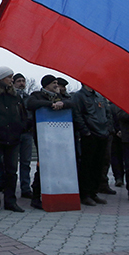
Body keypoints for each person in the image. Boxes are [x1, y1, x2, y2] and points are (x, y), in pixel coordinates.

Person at [26, 75, 73, 210]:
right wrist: (50, 104)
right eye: (54, 83)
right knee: (43, 166)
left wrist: (62, 103)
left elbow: (72, 103)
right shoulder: (36, 95)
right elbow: (31, 104)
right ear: (46, 85)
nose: (56, 85)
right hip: (42, 137)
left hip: (61, 137)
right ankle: (36, 197)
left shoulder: (60, 96)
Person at [0, 66, 26, 215]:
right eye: (9, 77)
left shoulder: (15, 95)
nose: (12, 80)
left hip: (13, 138)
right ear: (1, 78)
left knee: (11, 172)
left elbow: (22, 113)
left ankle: (10, 201)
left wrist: (20, 127)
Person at [71, 83, 110, 206]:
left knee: (99, 165)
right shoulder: (79, 96)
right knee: (87, 165)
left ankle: (94, 192)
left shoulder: (99, 96)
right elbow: (77, 114)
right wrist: (85, 132)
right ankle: (85, 194)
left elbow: (107, 113)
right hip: (90, 134)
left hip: (102, 134)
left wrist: (108, 129)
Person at [12, 73, 34, 199]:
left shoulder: (28, 98)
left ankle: (25, 188)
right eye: (19, 81)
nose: (22, 83)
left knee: (26, 162)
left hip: (26, 133)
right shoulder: (10, 96)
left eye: (23, 81)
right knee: (11, 163)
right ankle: (7, 186)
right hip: (14, 133)